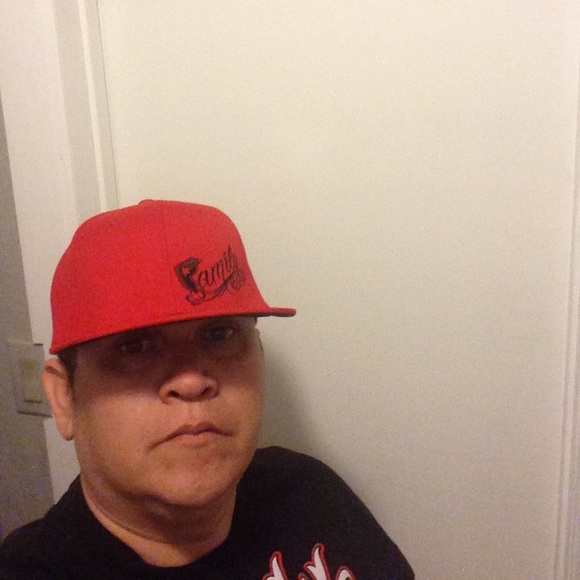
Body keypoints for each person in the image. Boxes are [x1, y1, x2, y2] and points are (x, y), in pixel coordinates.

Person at [0, 200, 414, 579]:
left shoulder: (310, 493)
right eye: (136, 346)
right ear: (65, 397)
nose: (191, 381)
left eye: (219, 334)